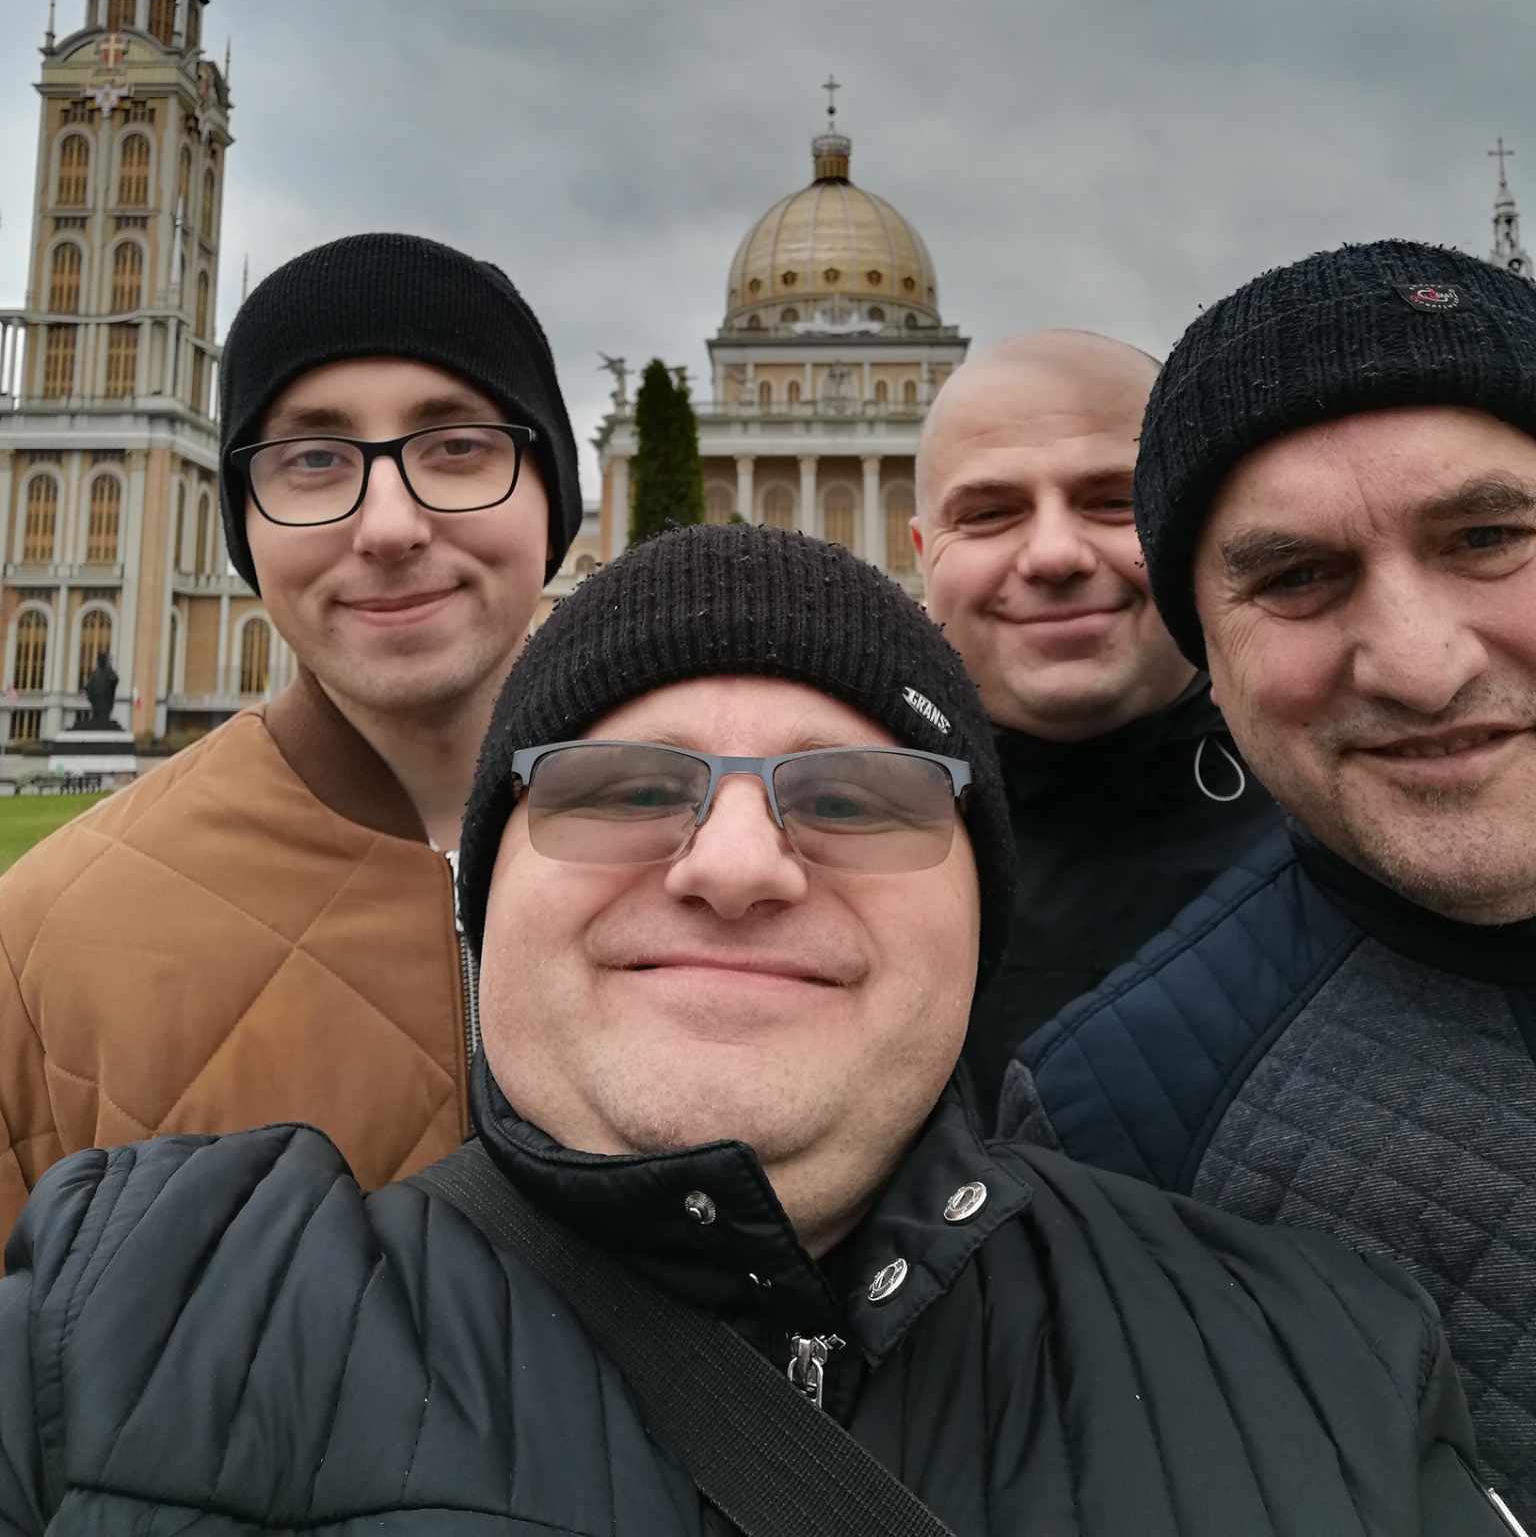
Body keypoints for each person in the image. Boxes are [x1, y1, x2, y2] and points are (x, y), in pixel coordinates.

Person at [0, 524, 1510, 1535]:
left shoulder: (1335, 1358)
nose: (734, 867)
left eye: (854, 797)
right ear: (484, 896)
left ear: (981, 910)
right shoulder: (123, 1315)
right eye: (622, 788)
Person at [1005, 240, 1536, 1526]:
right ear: (1207, 653)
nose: (1419, 664)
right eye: (1296, 575)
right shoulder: (1107, 1123)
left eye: (1489, 537)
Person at [0, 231, 580, 1248]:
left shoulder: (733, 863)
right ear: (245, 523)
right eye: (313, 459)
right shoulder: (34, 949)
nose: (390, 525)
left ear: (553, 494)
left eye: (457, 446)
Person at [913, 330, 1284, 1111]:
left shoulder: (1345, 815)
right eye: (989, 513)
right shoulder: (832, 835)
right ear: (921, 553)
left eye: (1114, 500)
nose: (1055, 555)